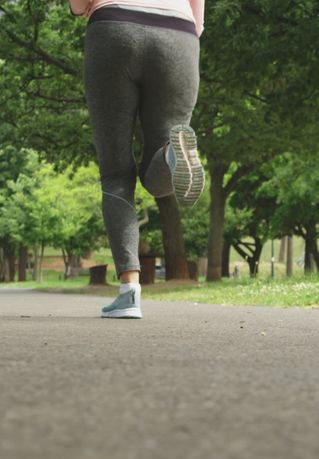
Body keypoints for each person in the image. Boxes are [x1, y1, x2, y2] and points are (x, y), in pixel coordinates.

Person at [72, 0, 205, 319]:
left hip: (114, 28)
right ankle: (173, 153)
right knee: (158, 173)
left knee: (117, 174)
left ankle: (129, 293)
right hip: (180, 34)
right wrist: (192, 30)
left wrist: (81, 10)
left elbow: (79, 5)